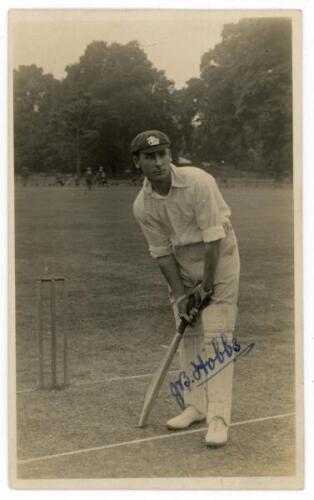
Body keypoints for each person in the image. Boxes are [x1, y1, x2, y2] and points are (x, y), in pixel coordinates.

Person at [132, 130, 240, 447]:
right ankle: (196, 405)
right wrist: (181, 296)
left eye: (163, 154)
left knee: (217, 335)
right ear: (137, 161)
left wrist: (206, 284)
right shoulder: (142, 205)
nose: (158, 162)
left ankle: (219, 418)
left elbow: (214, 237)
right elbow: (162, 254)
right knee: (189, 333)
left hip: (218, 257)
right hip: (181, 262)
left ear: (169, 156)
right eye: (150, 157)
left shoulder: (198, 181)